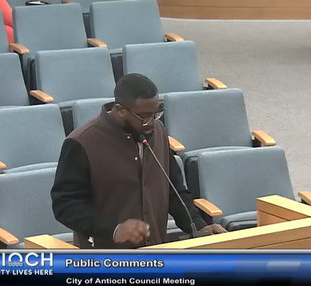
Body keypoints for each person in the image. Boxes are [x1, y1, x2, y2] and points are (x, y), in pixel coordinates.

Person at [51, 73, 227, 249]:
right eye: (145, 116)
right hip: (105, 260)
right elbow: (65, 205)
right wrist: (113, 229)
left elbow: (174, 190)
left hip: (156, 253)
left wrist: (198, 226)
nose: (151, 122)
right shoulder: (81, 142)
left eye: (156, 113)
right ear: (120, 110)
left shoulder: (158, 131)